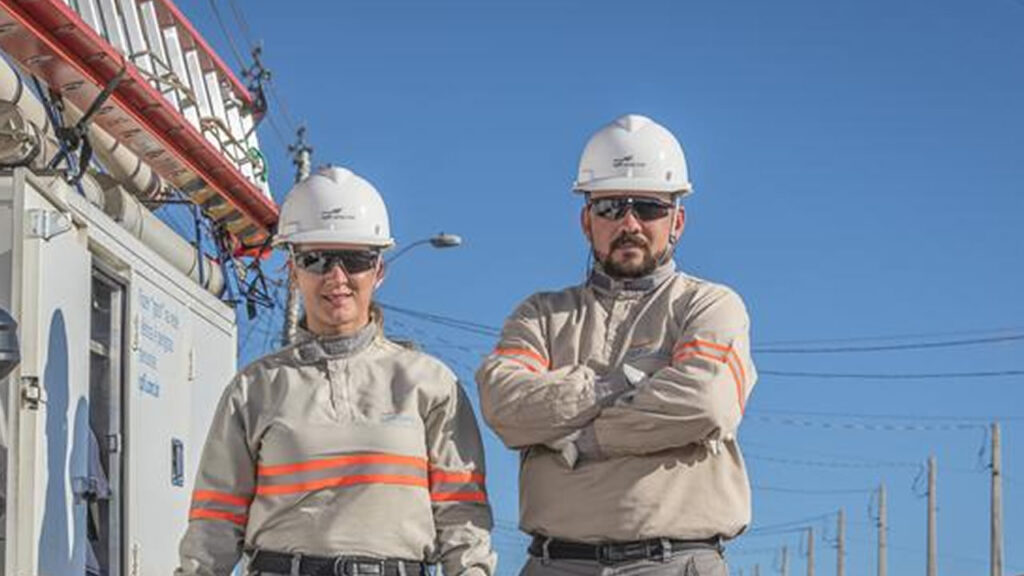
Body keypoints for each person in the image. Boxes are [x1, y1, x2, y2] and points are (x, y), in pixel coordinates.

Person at [177, 166, 496, 576]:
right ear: (293, 270)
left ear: (379, 270)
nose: (337, 278)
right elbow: (214, 524)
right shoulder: (255, 389)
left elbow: (461, 516)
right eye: (317, 259)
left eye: (355, 259)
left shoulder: (429, 385)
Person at [476, 114, 756, 576]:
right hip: (556, 562)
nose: (629, 222)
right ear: (587, 221)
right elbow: (504, 405)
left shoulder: (708, 305)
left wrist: (580, 438)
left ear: (677, 220)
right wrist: (619, 382)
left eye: (648, 207)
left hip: (676, 561)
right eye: (610, 208)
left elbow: (705, 403)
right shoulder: (541, 315)